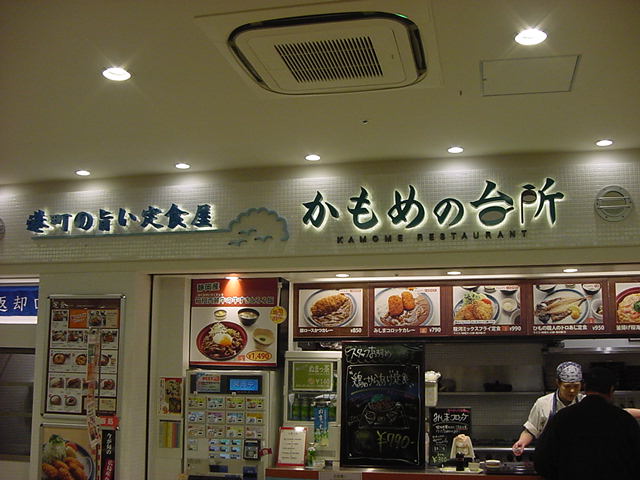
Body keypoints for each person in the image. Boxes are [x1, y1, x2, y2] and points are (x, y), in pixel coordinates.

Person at [534, 367, 640, 480]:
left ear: (584, 387)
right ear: (611, 390)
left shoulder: (562, 418)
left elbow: (542, 462)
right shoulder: (625, 421)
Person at [512, 361, 583, 456]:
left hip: (577, 457)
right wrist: (522, 442)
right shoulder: (543, 403)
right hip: (550, 457)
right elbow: (530, 430)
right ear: (558, 383)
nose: (572, 390)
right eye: (567, 386)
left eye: (576, 386)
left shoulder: (585, 402)